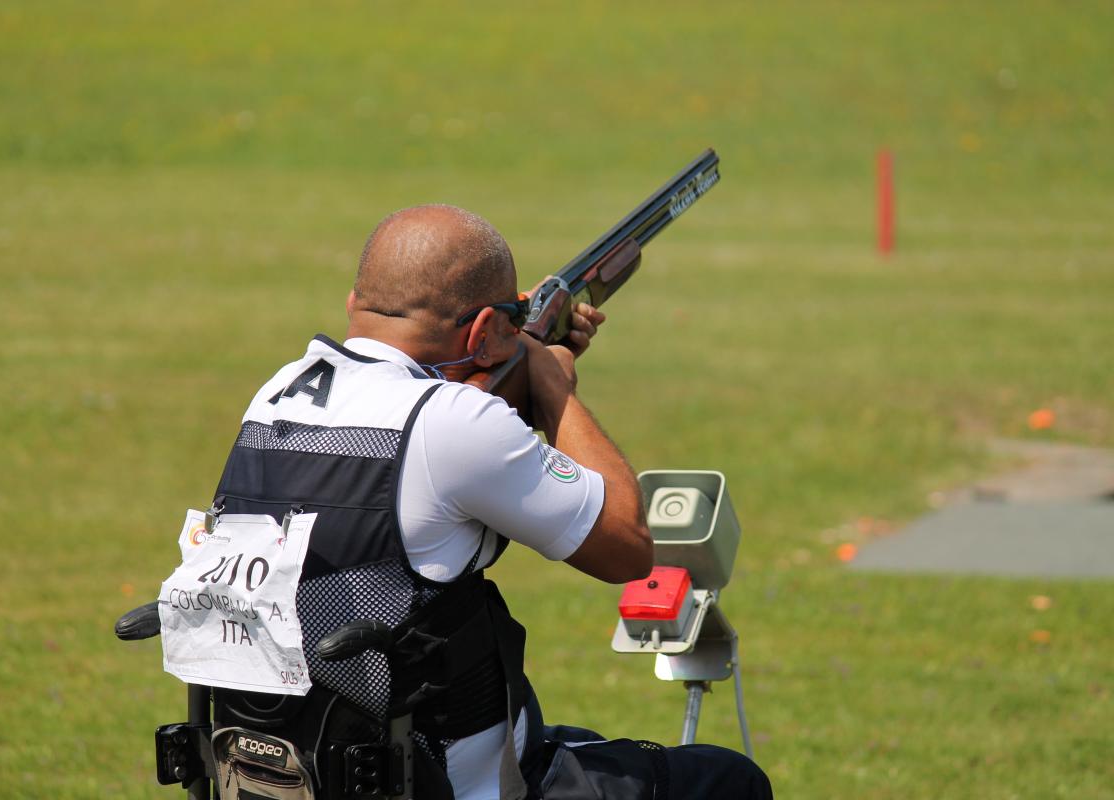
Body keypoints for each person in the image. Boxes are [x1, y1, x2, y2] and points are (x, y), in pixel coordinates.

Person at [209, 204, 771, 799]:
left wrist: (506, 343)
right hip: (447, 781)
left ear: (356, 306)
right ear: (481, 335)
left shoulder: (273, 398)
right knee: (727, 781)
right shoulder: (453, 421)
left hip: (301, 769)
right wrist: (552, 386)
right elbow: (626, 546)